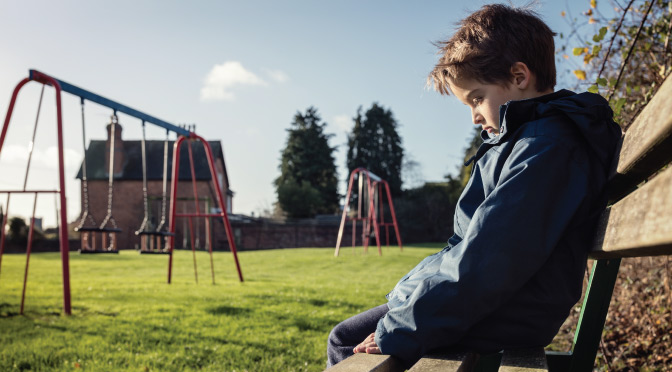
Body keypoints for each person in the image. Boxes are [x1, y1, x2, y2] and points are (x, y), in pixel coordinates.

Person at [326, 3, 622, 368]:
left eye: (477, 98)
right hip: (502, 300)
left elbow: (493, 256)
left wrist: (401, 327)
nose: (474, 116)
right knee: (356, 332)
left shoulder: (547, 147)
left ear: (518, 76)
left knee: (346, 341)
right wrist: (411, 296)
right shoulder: (526, 142)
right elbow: (473, 246)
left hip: (510, 306)